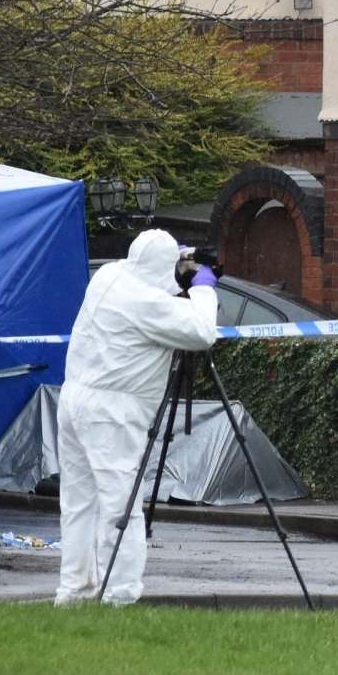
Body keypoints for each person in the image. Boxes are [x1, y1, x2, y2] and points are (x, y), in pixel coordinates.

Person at [53, 229, 220, 606]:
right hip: (112, 414)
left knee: (79, 502)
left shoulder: (109, 276)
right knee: (119, 505)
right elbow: (202, 330)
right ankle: (121, 595)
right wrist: (204, 286)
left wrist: (174, 258)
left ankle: (74, 591)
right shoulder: (145, 302)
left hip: (75, 398)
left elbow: (150, 269)